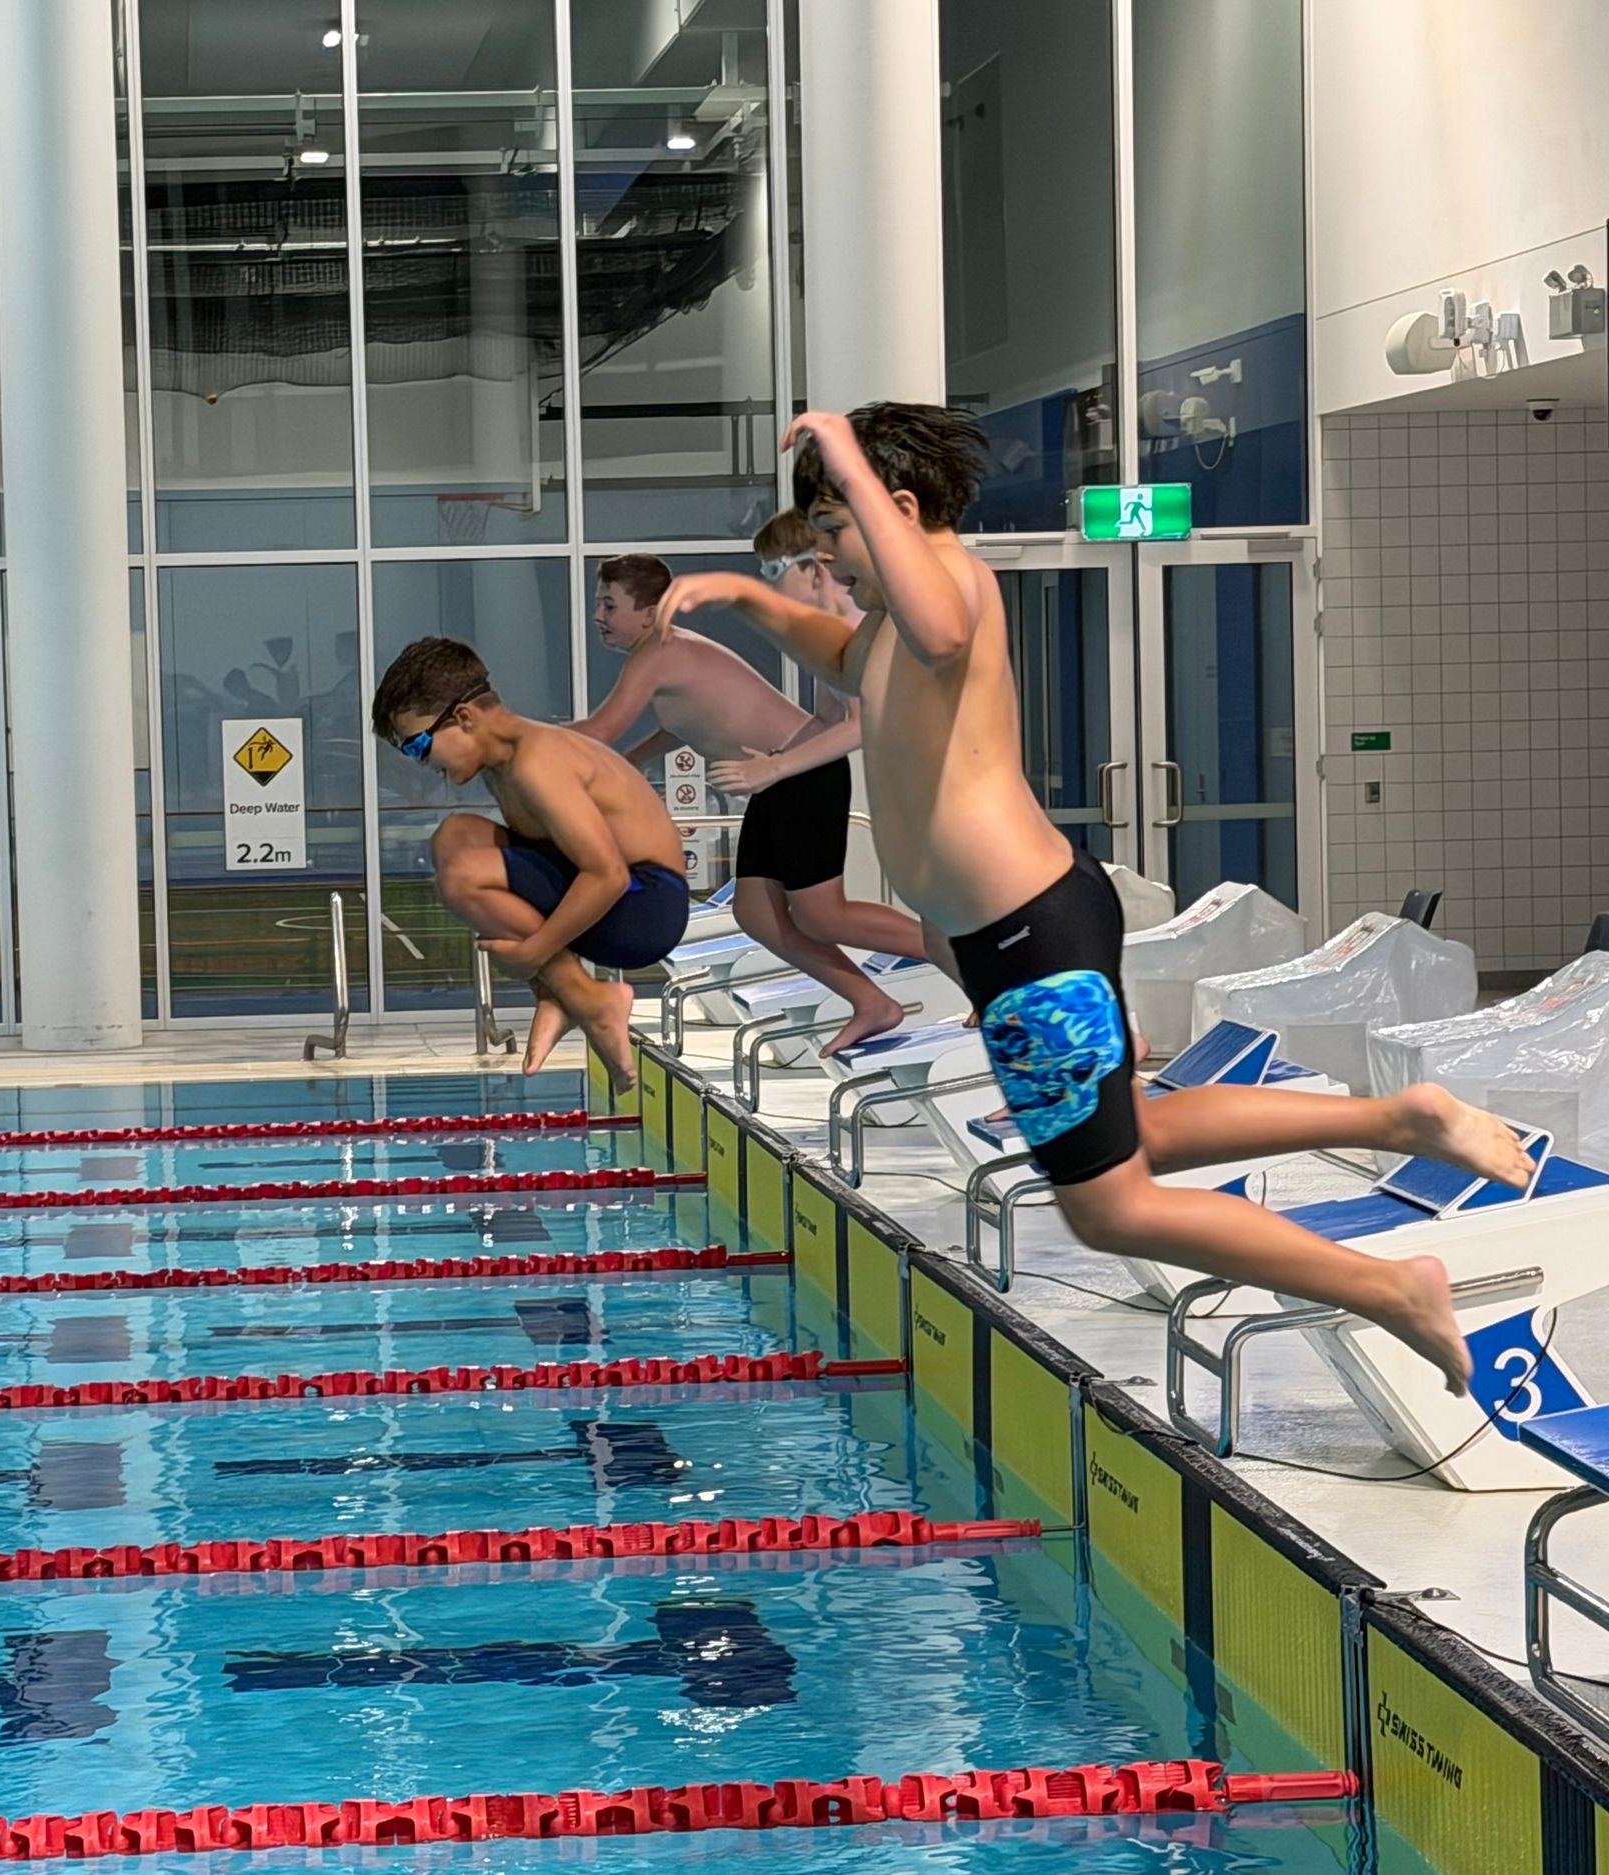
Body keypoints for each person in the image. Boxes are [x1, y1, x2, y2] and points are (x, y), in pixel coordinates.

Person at [656, 403, 1538, 1395]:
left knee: (1109, 1205)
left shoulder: (950, 587)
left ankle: (1389, 1286)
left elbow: (936, 624)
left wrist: (850, 466)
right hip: (1015, 932)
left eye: (834, 532)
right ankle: (1400, 1121)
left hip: (1028, 932)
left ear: (895, 508)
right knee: (1137, 1136)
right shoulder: (892, 629)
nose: (825, 560)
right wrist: (743, 596)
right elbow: (836, 652)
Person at [573, 551, 932, 1056]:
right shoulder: (665, 653)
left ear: (650, 614)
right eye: (599, 604)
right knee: (757, 915)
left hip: (800, 773)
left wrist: (509, 739)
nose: (598, 616)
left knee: (824, 916)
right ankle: (872, 1003)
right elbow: (688, 722)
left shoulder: (658, 654)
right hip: (773, 782)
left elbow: (599, 730)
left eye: (610, 605)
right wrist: (632, 760)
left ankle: (968, 960)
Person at [374, 635, 685, 1089]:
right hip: (623, 890)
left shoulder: (537, 763)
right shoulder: (502, 763)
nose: (420, 762)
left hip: (646, 908)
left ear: (464, 717)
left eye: (418, 745)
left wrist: (534, 953)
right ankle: (563, 995)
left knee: (461, 878)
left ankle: (594, 1002)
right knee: (454, 836)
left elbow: (608, 875)